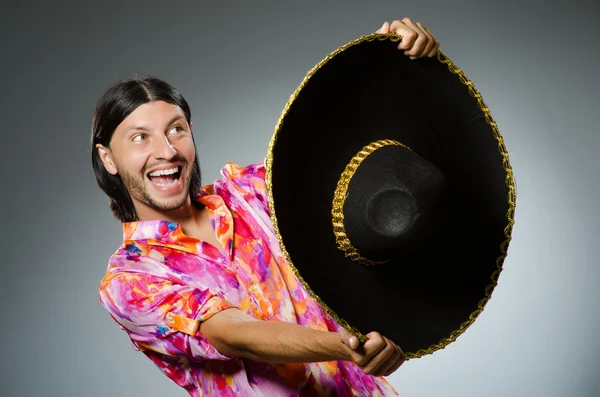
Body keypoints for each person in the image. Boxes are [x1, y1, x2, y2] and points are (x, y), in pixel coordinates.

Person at [93, 19, 440, 397]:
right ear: (108, 158)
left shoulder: (253, 191)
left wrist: (397, 59)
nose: (166, 150)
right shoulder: (129, 281)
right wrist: (345, 346)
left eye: (176, 129)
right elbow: (236, 334)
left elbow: (347, 152)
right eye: (140, 138)